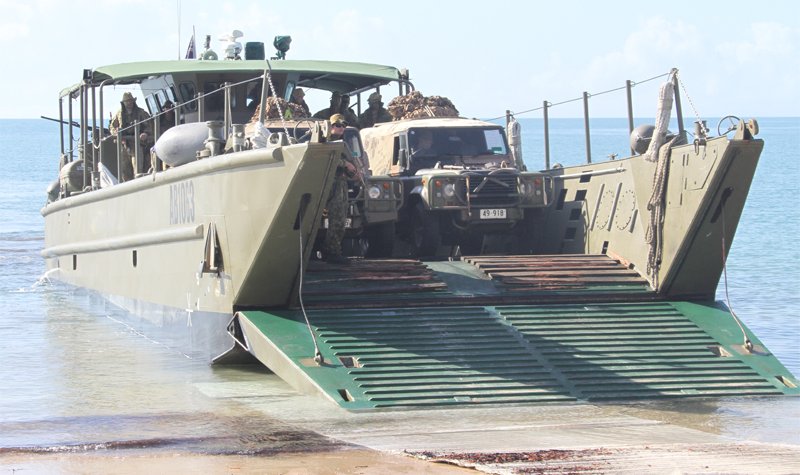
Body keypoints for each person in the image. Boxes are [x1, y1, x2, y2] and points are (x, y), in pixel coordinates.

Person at [323, 113, 359, 265]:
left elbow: (351, 167)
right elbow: (324, 156)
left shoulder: (343, 144)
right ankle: (330, 251)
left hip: (340, 185)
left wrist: (353, 171)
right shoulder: (324, 142)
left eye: (343, 126)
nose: (341, 128)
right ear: (330, 126)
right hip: (327, 185)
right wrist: (344, 164)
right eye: (337, 125)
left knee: (339, 220)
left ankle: (333, 251)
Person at [109, 92, 152, 181]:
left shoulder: (141, 112)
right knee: (124, 169)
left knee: (138, 168)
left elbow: (149, 125)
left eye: (130, 101)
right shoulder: (119, 114)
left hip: (136, 143)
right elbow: (112, 126)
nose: (129, 103)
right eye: (127, 101)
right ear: (123, 102)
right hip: (124, 144)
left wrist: (145, 134)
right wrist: (116, 132)